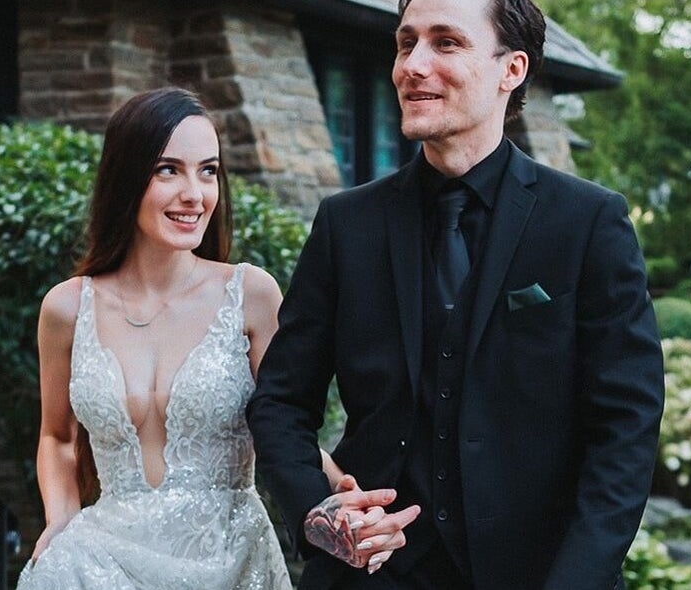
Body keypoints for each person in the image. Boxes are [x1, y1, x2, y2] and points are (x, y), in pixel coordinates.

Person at [246, 0, 666, 588]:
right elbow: (280, 402)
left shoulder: (588, 222)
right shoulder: (347, 224)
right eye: (406, 42)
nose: (412, 65)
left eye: (446, 43)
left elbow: (626, 428)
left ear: (511, 69)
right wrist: (319, 516)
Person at [18, 87, 294, 589]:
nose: (195, 194)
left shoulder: (251, 295)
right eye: (169, 170)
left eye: (208, 171)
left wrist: (338, 493)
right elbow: (56, 436)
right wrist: (61, 519)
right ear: (126, 178)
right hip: (101, 565)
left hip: (231, 561)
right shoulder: (66, 307)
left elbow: (288, 429)